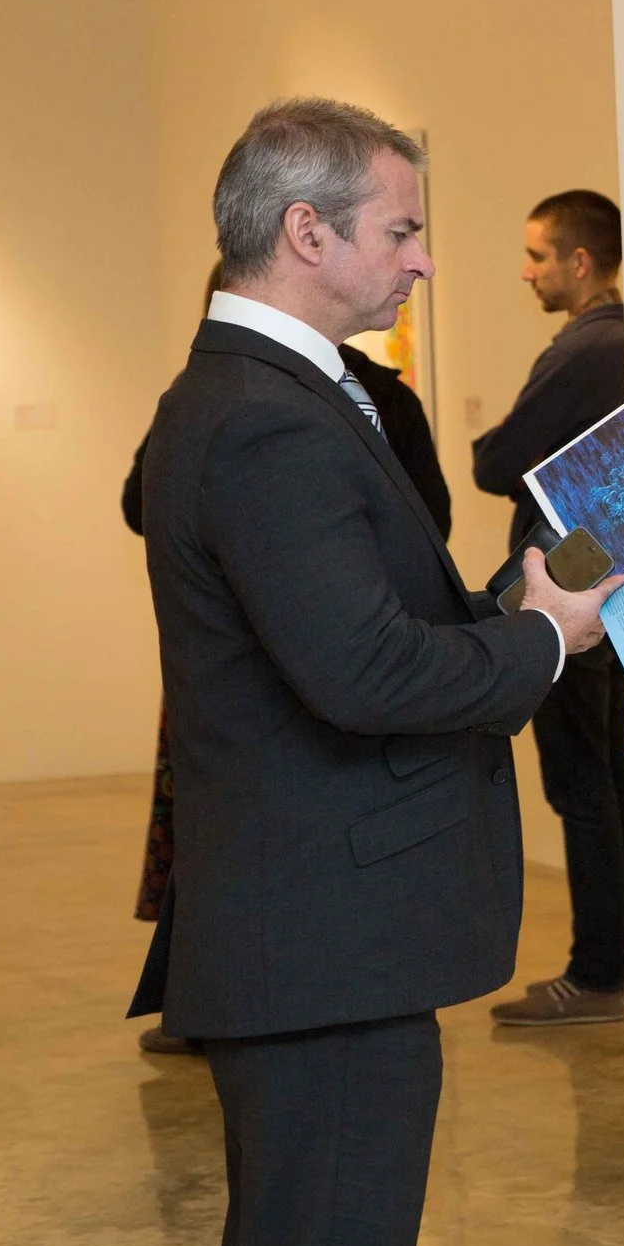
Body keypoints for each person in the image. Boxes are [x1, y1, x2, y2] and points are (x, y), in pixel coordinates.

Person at [129, 98, 621, 1246]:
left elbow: (361, 620)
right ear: (307, 231)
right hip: (321, 953)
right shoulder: (264, 418)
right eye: (400, 230)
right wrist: (545, 638)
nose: (426, 257)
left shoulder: (272, 393)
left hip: (312, 944)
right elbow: (364, 668)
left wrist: (522, 597)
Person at [120, 260, 456, 1057]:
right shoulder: (246, 406)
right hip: (311, 686)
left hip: (347, 671)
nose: (419, 262)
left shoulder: (337, 399)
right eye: (399, 233)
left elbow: (425, 523)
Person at [471, 189, 624, 1025]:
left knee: (583, 779)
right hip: (610, 575)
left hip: (566, 587)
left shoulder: (584, 350)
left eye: (539, 255)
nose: (527, 270)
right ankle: (616, 967)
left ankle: (598, 973)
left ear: (581, 262)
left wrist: (504, 455)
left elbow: (493, 457)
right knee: (611, 771)